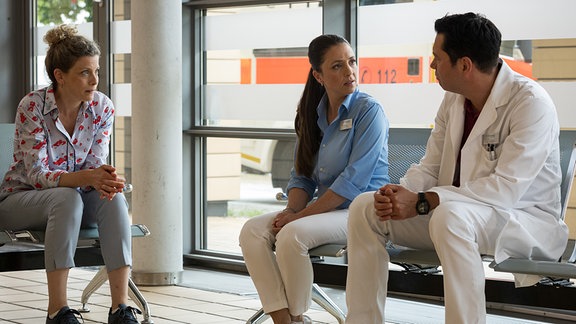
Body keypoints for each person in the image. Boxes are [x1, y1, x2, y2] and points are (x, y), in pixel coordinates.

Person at [344, 12, 569, 324]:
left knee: (450, 217)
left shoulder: (531, 103)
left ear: (464, 65)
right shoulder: (453, 98)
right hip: (455, 216)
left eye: (437, 57)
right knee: (365, 208)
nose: (432, 64)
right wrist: (401, 193)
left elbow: (505, 190)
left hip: (519, 220)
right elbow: (431, 165)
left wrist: (425, 201)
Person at [239, 34, 389, 324]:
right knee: (252, 231)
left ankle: (297, 316)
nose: (349, 71)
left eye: (352, 62)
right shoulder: (314, 115)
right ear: (318, 75)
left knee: (291, 235)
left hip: (362, 211)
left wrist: (298, 218)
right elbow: (303, 176)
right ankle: (286, 321)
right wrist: (291, 211)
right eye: (337, 66)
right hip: (326, 210)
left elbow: (352, 182)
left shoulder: (369, 111)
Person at [0, 24, 141, 324]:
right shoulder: (32, 106)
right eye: (84, 73)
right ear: (59, 76)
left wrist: (105, 178)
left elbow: (94, 163)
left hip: (74, 199)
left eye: (96, 71)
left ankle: (121, 308)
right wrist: (88, 178)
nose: (95, 81)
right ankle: (58, 310)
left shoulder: (102, 107)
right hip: (21, 201)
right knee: (66, 199)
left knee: (112, 199)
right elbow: (37, 175)